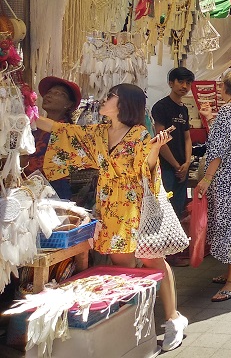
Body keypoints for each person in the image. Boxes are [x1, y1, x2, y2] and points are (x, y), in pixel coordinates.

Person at [39, 84, 186, 351]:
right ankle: (136, 327)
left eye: (110, 96)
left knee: (153, 260)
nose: (104, 100)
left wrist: (155, 148)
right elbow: (62, 131)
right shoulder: (98, 132)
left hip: (137, 206)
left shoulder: (140, 134)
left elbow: (148, 169)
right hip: (110, 205)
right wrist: (23, 113)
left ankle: (173, 318)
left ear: (123, 103)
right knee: (124, 268)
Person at [196, 70, 231, 301]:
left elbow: (218, 151)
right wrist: (210, 118)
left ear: (224, 89)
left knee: (229, 223)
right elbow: (224, 140)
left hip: (227, 173)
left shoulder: (229, 111)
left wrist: (207, 178)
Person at [151, 67, 194, 224]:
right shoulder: (161, 107)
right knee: (164, 207)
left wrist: (187, 163)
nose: (184, 86)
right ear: (171, 83)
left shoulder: (184, 109)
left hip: (182, 167)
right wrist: (176, 166)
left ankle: (176, 245)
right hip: (167, 167)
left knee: (178, 208)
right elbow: (159, 140)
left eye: (188, 83)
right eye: (180, 81)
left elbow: (187, 138)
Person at [27, 76, 81, 199]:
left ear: (68, 104)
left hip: (53, 192)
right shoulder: (33, 126)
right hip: (28, 188)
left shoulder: (67, 131)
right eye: (49, 92)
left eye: (57, 93)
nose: (49, 96)